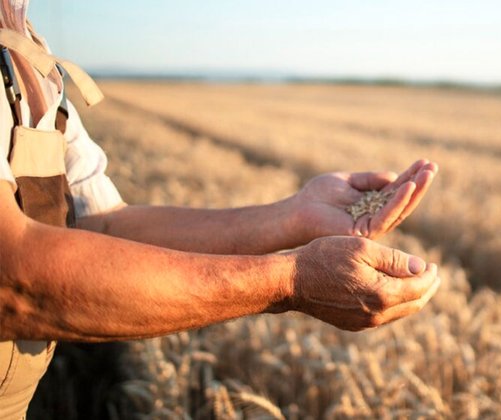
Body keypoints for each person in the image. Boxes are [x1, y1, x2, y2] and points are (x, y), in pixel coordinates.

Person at [0, 2, 440, 418]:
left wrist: (295, 214)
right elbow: (12, 276)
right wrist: (291, 280)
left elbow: (101, 224)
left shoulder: (27, 47)